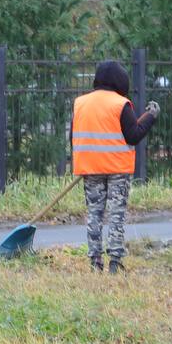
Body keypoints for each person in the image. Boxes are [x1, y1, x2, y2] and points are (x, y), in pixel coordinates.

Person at [71, 61, 159, 273]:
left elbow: (72, 137)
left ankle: (95, 262)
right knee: (116, 214)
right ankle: (115, 262)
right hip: (117, 168)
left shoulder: (80, 103)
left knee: (94, 214)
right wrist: (150, 116)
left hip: (90, 168)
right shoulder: (120, 104)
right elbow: (133, 135)